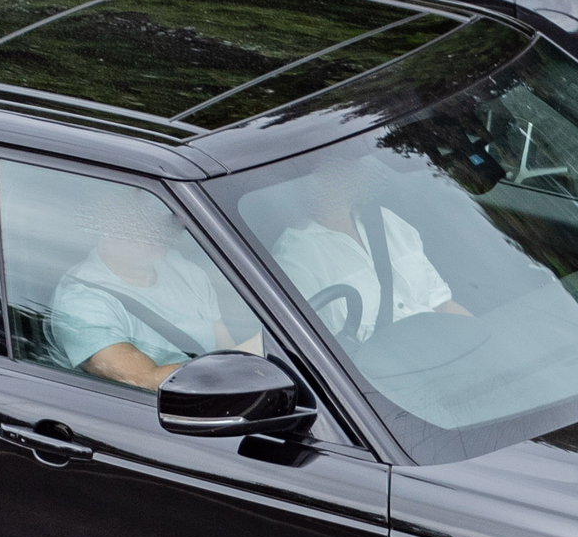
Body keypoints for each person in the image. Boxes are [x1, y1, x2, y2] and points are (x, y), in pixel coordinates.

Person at [48, 183, 258, 390]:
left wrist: (244, 361)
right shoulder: (83, 302)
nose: (157, 235)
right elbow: (145, 381)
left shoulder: (184, 270)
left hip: (222, 390)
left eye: (157, 223)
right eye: (141, 228)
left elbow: (225, 347)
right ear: (108, 233)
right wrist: (245, 357)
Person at [270, 157, 468, 342]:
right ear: (305, 183)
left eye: (348, 162)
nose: (348, 171)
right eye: (329, 169)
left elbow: (444, 305)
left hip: (446, 351)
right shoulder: (294, 256)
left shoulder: (387, 221)